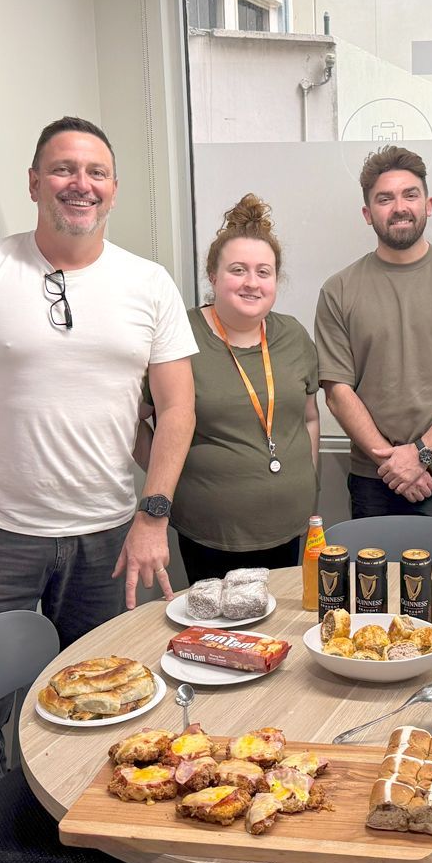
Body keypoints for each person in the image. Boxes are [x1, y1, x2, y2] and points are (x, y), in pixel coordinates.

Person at [0, 116, 197, 809]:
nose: (79, 184)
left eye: (95, 172)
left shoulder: (147, 283)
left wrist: (153, 514)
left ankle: (99, 834)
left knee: (117, 698)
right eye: (63, 169)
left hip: (110, 538)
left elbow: (176, 409)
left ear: (114, 189)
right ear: (34, 182)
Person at [315, 146, 432, 527]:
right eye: (384, 198)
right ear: (367, 213)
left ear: (428, 204)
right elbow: (338, 393)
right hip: (376, 481)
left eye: (410, 195)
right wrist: (393, 463)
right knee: (375, 589)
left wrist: (422, 454)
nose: (399, 207)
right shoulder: (339, 290)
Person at [169, 194, 320, 583]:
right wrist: (172, 476)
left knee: (276, 634)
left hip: (288, 525)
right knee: (217, 639)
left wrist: (305, 481)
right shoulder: (180, 337)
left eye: (263, 272)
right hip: (211, 531)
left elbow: (309, 417)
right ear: (213, 276)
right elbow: (139, 420)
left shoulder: (293, 335)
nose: (252, 283)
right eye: (238, 270)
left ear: (275, 280)